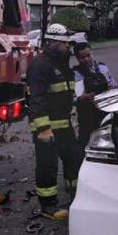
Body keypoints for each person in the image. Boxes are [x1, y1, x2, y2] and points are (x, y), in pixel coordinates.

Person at [26, 23, 78, 220]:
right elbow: (36, 100)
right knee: (48, 165)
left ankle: (76, 195)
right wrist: (43, 129)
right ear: (54, 43)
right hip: (46, 128)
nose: (68, 48)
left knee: (73, 159)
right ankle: (47, 205)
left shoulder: (62, 65)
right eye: (65, 44)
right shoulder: (40, 67)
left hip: (64, 125)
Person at [73, 42, 118, 171]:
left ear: (92, 52)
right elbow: (72, 98)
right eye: (82, 57)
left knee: (108, 139)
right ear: (77, 58)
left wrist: (112, 87)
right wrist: (81, 98)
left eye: (88, 55)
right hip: (87, 113)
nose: (86, 59)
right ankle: (84, 170)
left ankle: (108, 167)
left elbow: (116, 86)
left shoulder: (103, 68)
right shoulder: (75, 74)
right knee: (85, 142)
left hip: (105, 109)